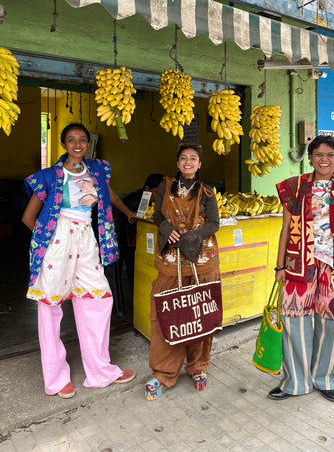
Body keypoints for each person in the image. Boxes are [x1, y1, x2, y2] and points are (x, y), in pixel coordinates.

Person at [22, 122, 137, 399]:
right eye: (71, 139)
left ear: (88, 144)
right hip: (57, 241)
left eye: (82, 139)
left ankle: (100, 371)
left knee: (99, 298)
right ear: (63, 144)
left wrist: (127, 211)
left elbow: (107, 194)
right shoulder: (49, 176)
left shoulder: (97, 169)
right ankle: (56, 379)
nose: (77, 144)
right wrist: (48, 242)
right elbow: (28, 218)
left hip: (86, 239)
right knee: (50, 308)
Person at [269, 135, 334, 403]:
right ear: (311, 157)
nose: (323, 159)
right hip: (298, 265)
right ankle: (295, 382)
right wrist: (280, 265)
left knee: (332, 325)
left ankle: (326, 379)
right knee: (295, 323)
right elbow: (285, 228)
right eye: (318, 154)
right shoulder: (294, 187)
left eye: (329, 154)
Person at [145, 143, 220, 400]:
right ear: (177, 163)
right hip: (171, 261)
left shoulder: (208, 192)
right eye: (184, 158)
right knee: (167, 314)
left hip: (202, 261)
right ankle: (163, 373)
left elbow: (214, 223)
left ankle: (199, 366)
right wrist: (167, 229)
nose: (188, 162)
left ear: (200, 165)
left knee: (199, 313)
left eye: (193, 159)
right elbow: (157, 217)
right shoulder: (163, 188)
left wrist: (193, 235)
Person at [118, 173, 164, 292]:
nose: (160, 196)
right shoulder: (133, 200)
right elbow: (126, 223)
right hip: (129, 243)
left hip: (149, 243)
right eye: (157, 192)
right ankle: (136, 290)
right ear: (147, 189)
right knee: (133, 266)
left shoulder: (160, 202)